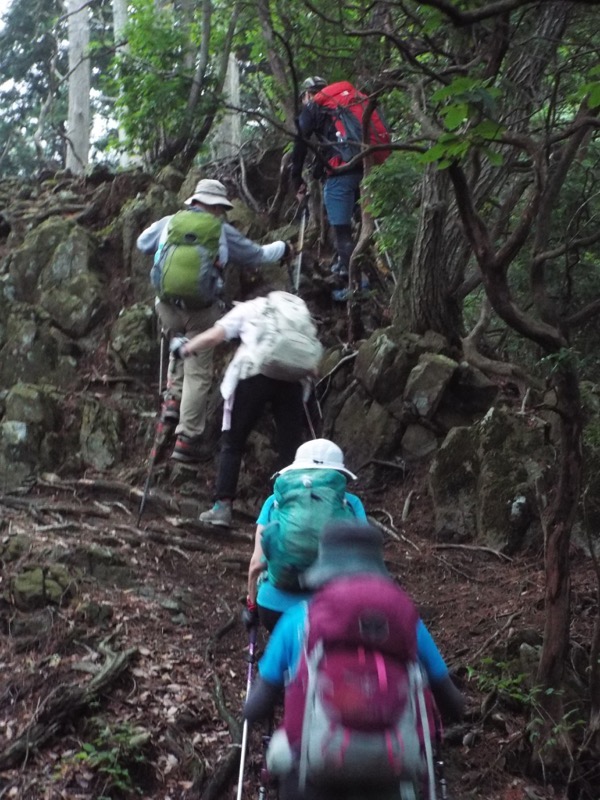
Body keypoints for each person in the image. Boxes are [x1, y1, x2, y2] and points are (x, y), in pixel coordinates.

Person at [243, 521, 465, 800]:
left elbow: (256, 708)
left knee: (285, 759)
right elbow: (453, 705)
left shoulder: (299, 619)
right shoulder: (405, 623)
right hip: (392, 768)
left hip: (315, 772)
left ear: (323, 569)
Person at [136, 178, 293, 464]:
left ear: (194, 201)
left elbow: (142, 243)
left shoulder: (170, 222)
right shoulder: (221, 230)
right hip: (201, 311)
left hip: (166, 306)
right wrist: (283, 247)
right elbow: (257, 255)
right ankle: (187, 439)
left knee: (177, 341)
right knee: (197, 369)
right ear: (217, 207)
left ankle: (173, 400)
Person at [169, 292, 321, 527]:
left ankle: (222, 508)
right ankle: (286, 513)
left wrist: (186, 348)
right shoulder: (298, 316)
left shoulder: (250, 308)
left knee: (233, 442)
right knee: (289, 450)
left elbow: (215, 335)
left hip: (252, 374)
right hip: (293, 381)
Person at [246, 438, 367, 633]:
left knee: (282, 644)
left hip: (273, 607)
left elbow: (256, 564)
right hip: (331, 610)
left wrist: (251, 607)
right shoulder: (351, 504)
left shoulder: (275, 502)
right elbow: (363, 563)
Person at [290, 76, 362, 282]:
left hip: (341, 173)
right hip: (366, 165)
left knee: (342, 231)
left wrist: (296, 179)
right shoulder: (342, 105)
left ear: (307, 95)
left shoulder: (313, 107)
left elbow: (300, 142)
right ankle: (346, 266)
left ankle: (355, 286)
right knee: (360, 223)